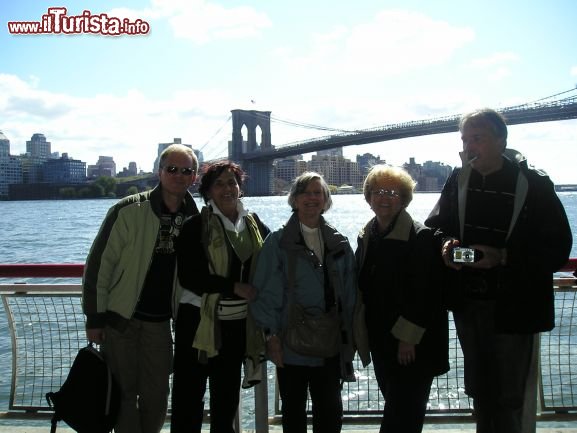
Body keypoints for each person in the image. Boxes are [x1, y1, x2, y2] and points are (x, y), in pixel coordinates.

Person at [425, 108, 572, 433]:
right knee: (480, 392)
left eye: (478, 138)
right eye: (465, 139)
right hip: (468, 305)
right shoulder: (458, 178)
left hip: (514, 307)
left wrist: (503, 257)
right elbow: (434, 228)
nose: (469, 146)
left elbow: (558, 247)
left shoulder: (534, 184)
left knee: (508, 397)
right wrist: (447, 245)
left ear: (501, 141)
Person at [82, 143, 199, 433]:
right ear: (159, 172)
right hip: (120, 319)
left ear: (194, 176)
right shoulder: (127, 210)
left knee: (158, 395)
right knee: (123, 394)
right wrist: (95, 318)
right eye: (172, 169)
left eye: (186, 170)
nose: (179, 175)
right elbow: (99, 265)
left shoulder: (196, 218)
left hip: (160, 323)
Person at [250, 171, 357, 433]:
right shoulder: (277, 242)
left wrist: (350, 338)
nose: (312, 198)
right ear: (295, 200)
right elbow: (266, 292)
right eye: (305, 193)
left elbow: (350, 295)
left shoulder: (339, 243)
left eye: (317, 192)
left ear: (326, 200)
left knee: (330, 413)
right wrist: (271, 336)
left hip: (330, 344)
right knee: (294, 414)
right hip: (290, 344)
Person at [171, 161, 269, 433]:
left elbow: (274, 258)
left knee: (226, 398)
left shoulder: (254, 225)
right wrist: (233, 287)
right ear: (208, 192)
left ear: (240, 188)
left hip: (237, 323)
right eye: (219, 184)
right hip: (198, 321)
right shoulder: (195, 226)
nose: (227, 189)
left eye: (232, 183)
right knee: (189, 396)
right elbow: (190, 277)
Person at [355, 164, 449, 433]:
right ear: (369, 197)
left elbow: (427, 293)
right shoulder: (368, 234)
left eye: (393, 192)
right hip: (382, 340)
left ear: (405, 198)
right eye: (378, 191)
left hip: (413, 344)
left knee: (402, 414)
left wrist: (408, 337)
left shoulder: (420, 237)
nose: (384, 198)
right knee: (400, 409)